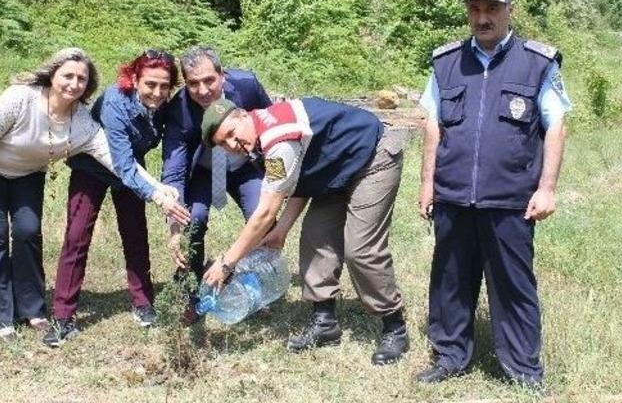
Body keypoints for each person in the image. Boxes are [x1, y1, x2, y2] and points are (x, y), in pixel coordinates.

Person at [415, 0, 571, 387]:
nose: (483, 17)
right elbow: (433, 125)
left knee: (513, 286)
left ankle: (522, 370)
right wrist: (427, 182)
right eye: (475, 8)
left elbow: (555, 125)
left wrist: (547, 187)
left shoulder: (538, 62)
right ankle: (450, 356)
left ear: (509, 11)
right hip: (452, 194)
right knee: (450, 280)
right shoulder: (445, 62)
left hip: (511, 198)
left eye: (492, 8)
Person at [0, 48, 179, 340]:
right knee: (0, 237)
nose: (74, 84)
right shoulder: (22, 98)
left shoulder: (82, 121)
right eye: (68, 76)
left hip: (34, 173)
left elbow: (120, 161)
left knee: (28, 232)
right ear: (53, 74)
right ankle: (15, 319)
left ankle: (33, 309)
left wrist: (158, 188)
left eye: (81, 79)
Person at [199, 97, 411, 365]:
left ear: (243, 116)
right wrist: (282, 231)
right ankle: (325, 324)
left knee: (360, 249)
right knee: (315, 237)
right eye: (223, 143)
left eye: (231, 133)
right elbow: (299, 181)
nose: (232, 144)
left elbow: (264, 214)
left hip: (372, 156)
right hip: (334, 170)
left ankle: (394, 326)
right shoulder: (259, 138)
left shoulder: (277, 141)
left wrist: (226, 263)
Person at [43, 50, 191, 347]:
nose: (157, 92)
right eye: (150, 84)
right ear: (134, 79)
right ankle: (63, 317)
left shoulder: (165, 105)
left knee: (136, 234)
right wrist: (157, 195)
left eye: (164, 86)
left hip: (133, 167)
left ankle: (143, 303)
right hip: (94, 167)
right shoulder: (114, 102)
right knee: (77, 236)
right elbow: (121, 165)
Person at [160, 46, 271, 320]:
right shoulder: (178, 110)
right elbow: (174, 169)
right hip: (205, 170)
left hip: (244, 165)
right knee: (193, 219)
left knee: (261, 215)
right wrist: (174, 222)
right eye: (193, 83)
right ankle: (192, 290)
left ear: (223, 75)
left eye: (209, 80)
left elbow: (270, 122)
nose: (202, 90)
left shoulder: (246, 85)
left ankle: (255, 289)